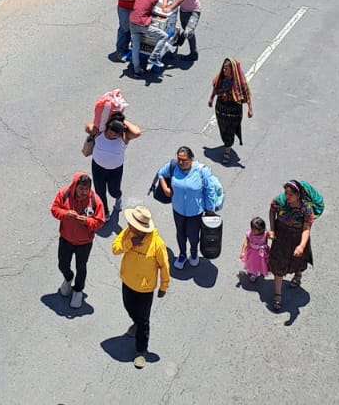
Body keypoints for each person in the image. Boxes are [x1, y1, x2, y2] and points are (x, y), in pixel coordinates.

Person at [112, 206, 170, 369]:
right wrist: (130, 243)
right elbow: (115, 249)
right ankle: (136, 323)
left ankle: (141, 351)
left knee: (144, 321)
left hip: (145, 289)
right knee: (128, 307)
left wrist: (164, 286)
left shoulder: (157, 244)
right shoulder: (128, 234)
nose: (129, 226)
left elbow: (164, 266)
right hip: (127, 281)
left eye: (132, 225)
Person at [152, 147, 225, 269]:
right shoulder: (174, 166)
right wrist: (165, 188)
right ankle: (182, 254)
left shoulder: (202, 171)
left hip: (195, 213)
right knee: (180, 234)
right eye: (179, 159)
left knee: (193, 235)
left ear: (191, 159)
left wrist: (210, 210)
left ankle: (194, 254)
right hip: (178, 210)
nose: (181, 162)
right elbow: (161, 173)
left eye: (184, 160)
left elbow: (210, 190)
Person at [51, 171, 106, 311]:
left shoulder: (95, 201)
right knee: (63, 264)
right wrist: (66, 214)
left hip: (84, 243)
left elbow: (100, 222)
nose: (83, 192)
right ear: (75, 186)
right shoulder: (64, 194)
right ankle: (68, 278)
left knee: (81, 267)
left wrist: (87, 221)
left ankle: (78, 291)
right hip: (66, 239)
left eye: (86, 189)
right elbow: (54, 209)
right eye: (81, 189)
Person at [268, 180, 316, 312]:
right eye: (286, 193)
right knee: (278, 265)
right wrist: (272, 229)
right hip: (281, 237)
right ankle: (278, 295)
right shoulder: (279, 201)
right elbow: (272, 211)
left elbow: (306, 228)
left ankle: (298, 275)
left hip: (297, 238)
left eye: (290, 194)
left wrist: (301, 245)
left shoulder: (306, 208)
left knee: (298, 260)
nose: (287, 197)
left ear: (298, 195)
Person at [83, 110, 141, 216]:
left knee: (114, 191)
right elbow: (88, 127)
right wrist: (107, 118)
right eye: (110, 132)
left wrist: (122, 120)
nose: (111, 135)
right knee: (100, 192)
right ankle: (104, 212)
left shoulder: (124, 138)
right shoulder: (99, 133)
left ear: (120, 134)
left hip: (115, 170)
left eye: (115, 135)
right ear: (107, 127)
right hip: (98, 167)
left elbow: (137, 133)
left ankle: (118, 198)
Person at [208, 58, 252, 162]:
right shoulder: (220, 79)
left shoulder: (240, 83)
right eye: (224, 68)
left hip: (234, 111)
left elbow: (247, 96)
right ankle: (227, 143)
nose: (224, 70)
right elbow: (215, 88)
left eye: (226, 69)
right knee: (223, 129)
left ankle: (227, 150)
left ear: (233, 70)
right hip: (221, 109)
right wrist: (211, 98)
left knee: (230, 130)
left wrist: (250, 109)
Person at [240, 216, 271, 284]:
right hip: (252, 253)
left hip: (262, 253)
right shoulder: (249, 234)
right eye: (252, 228)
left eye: (254, 229)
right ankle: (254, 273)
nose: (252, 230)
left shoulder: (265, 234)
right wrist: (242, 252)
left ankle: (261, 271)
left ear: (261, 229)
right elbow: (246, 243)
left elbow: (271, 237)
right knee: (252, 264)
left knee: (262, 263)